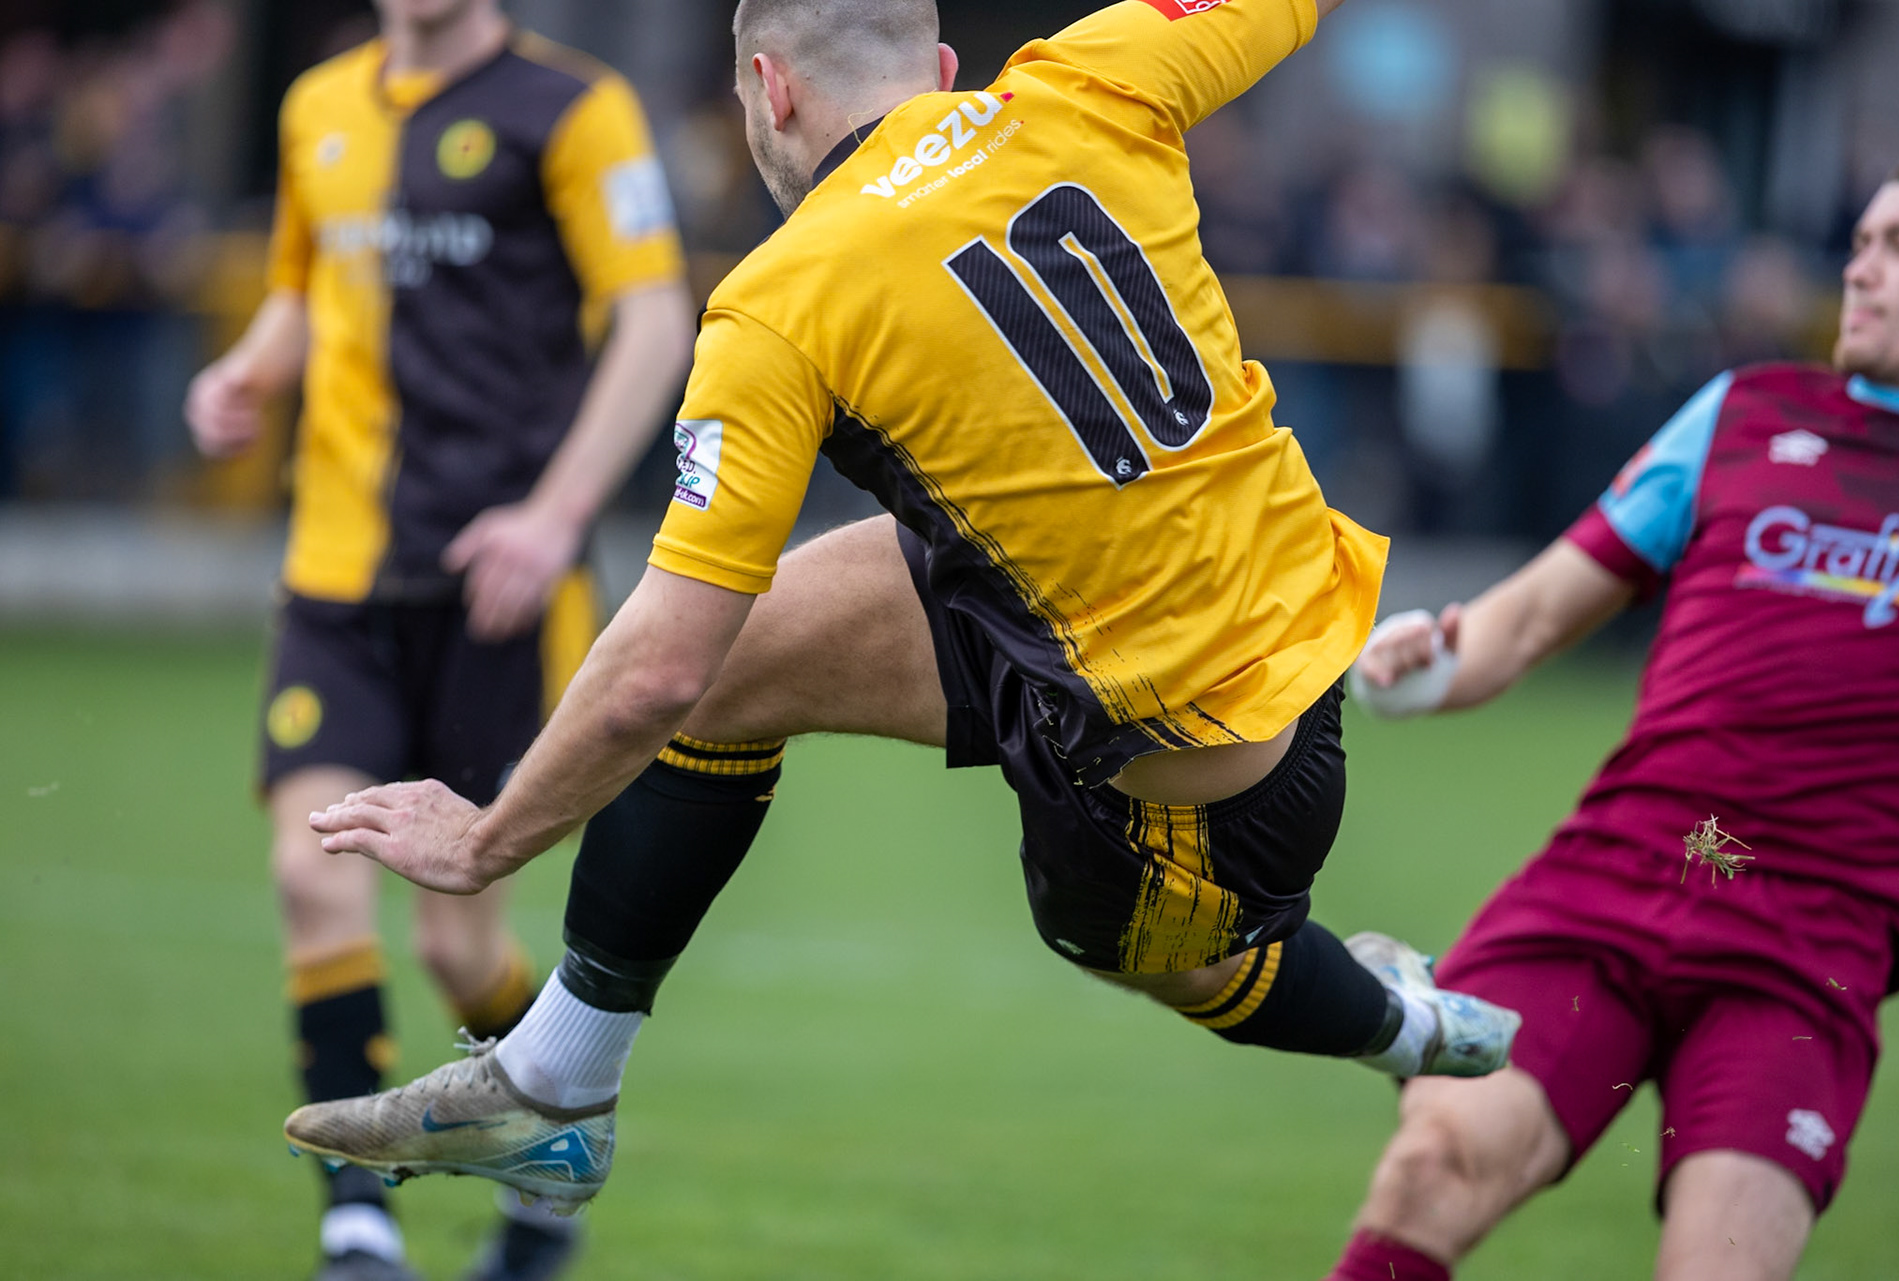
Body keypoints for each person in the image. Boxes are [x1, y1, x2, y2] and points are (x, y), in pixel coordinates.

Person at [283, 0, 1521, 1218]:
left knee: (1162, 959)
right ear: (937, 66)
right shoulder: (1091, 72)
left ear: (769, 90)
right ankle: (557, 1085)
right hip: (1189, 610)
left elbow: (652, 664)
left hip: (1209, 774)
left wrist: (485, 842)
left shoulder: (781, 301)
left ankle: (1408, 1024)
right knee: (735, 665)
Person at [1322, 153, 1899, 1281]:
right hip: (1620, 873)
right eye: (1863, 243)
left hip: (1809, 939)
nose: (1862, 272)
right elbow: (1536, 614)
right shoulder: (1746, 413)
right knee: (1432, 1167)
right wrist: (1420, 666)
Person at [183, 0, 694, 1273]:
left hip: (499, 593)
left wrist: (555, 515)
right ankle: (358, 1229)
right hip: (337, 581)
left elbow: (654, 321)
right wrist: (249, 366)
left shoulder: (577, 111)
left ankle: (545, 1153)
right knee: (313, 874)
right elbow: (305, 286)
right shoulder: (318, 106)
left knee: (457, 937)